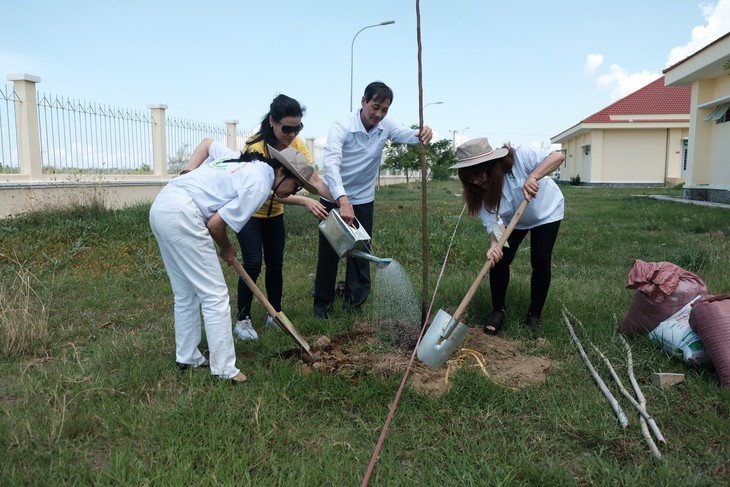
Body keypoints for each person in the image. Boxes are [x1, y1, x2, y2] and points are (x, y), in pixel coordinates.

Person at [149, 138, 322, 384]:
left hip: (163, 205)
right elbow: (215, 224)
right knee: (215, 295)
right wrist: (227, 247)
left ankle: (187, 356)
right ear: (282, 171)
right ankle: (224, 370)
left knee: (185, 291)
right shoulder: (260, 184)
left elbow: (209, 144)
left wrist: (188, 171)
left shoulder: (245, 160)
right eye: (295, 186)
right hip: (185, 213)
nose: (292, 193)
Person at [313, 81, 433, 318]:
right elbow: (331, 164)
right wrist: (342, 199)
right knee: (330, 252)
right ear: (363, 101)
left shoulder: (385, 125)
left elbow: (406, 134)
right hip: (333, 196)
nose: (379, 114)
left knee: (361, 251)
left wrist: (421, 133)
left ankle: (354, 304)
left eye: (384, 109)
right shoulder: (342, 126)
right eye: (375, 107)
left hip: (364, 199)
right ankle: (321, 305)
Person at [233, 95, 330, 341]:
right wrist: (305, 201)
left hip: (274, 214)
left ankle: (274, 313)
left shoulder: (297, 145)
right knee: (253, 264)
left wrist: (340, 201)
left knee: (275, 264)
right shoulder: (256, 147)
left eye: (298, 128)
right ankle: (242, 319)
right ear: (273, 122)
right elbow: (264, 192)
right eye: (287, 128)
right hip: (250, 213)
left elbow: (313, 178)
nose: (292, 133)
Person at [451, 137, 565, 335]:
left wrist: (533, 177)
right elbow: (495, 225)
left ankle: (534, 315)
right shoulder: (479, 192)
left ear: (490, 165)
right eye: (471, 179)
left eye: (479, 175)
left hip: (546, 213)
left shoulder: (520, 157)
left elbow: (558, 156)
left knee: (540, 260)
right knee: (499, 260)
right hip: (515, 220)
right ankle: (498, 310)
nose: (476, 182)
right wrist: (495, 244)